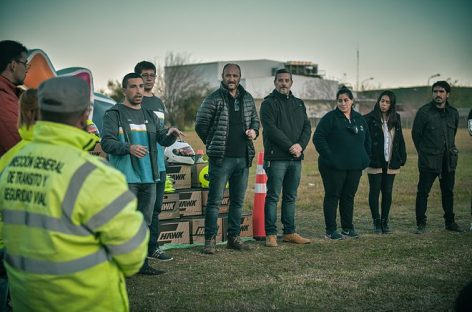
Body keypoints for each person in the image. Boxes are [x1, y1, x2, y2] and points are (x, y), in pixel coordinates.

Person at [0, 76, 148, 311]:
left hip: (26, 300)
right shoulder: (95, 175)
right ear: (85, 114)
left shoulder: (10, 163)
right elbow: (132, 257)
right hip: (85, 302)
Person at [101, 73, 182, 274]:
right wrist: (128, 148)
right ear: (124, 90)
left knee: (144, 223)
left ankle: (140, 264)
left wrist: (171, 134)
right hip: (125, 179)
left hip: (150, 178)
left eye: (140, 86)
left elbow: (162, 139)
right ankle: (117, 264)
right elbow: (106, 143)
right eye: (133, 87)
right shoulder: (114, 114)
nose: (138, 91)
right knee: (122, 223)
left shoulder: (149, 115)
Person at [195, 63, 260, 254]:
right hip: (221, 159)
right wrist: (213, 142)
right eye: (228, 75)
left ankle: (234, 238)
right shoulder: (213, 98)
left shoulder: (247, 98)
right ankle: (210, 240)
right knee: (215, 201)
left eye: (235, 75)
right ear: (222, 76)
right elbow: (200, 124)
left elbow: (255, 120)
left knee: (237, 202)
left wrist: (254, 131)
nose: (231, 79)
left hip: (243, 157)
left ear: (240, 77)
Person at [260, 69, 311, 247]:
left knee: (290, 196)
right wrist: (290, 146)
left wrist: (300, 146)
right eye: (280, 80)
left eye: (286, 80)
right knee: (273, 196)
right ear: (275, 82)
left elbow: (307, 127)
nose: (283, 83)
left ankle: (289, 232)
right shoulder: (268, 104)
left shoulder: (299, 103)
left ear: (291, 83)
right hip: (277, 159)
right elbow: (271, 129)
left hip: (295, 158)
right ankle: (271, 234)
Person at [313, 86, 370, 240]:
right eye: (340, 100)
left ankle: (347, 228)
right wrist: (330, 157)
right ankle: (331, 230)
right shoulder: (330, 118)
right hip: (333, 167)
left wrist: (365, 158)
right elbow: (318, 138)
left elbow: (367, 140)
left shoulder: (359, 118)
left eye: (346, 100)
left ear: (352, 101)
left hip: (354, 166)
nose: (343, 103)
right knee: (333, 196)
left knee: (348, 196)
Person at [134, 61, 173, 261]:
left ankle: (153, 247)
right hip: (142, 165)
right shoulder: (134, 102)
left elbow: (161, 132)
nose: (149, 78)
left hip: (159, 164)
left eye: (152, 75)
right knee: (141, 210)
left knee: (156, 209)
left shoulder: (158, 102)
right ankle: (136, 251)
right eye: (145, 75)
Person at [412, 81, 462, 233]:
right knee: (423, 192)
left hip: (448, 160)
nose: (438, 94)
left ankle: (450, 222)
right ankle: (421, 223)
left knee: (448, 192)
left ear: (447, 94)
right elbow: (416, 135)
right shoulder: (424, 112)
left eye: (441, 91)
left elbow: (452, 135)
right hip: (429, 160)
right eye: (435, 91)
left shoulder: (453, 113)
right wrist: (425, 153)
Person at [364, 90, 407, 234]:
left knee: (387, 192)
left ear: (391, 104)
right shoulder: (369, 118)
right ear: (378, 102)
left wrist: (402, 156)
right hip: (374, 160)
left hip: (391, 160)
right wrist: (366, 156)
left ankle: (385, 221)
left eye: (387, 102)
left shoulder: (396, 118)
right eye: (382, 101)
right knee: (374, 191)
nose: (384, 104)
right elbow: (365, 141)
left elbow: (399, 139)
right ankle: (376, 221)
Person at [0, 40, 28, 157]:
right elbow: (19, 148)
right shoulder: (3, 100)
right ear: (13, 65)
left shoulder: (12, 93)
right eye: (25, 63)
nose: (26, 69)